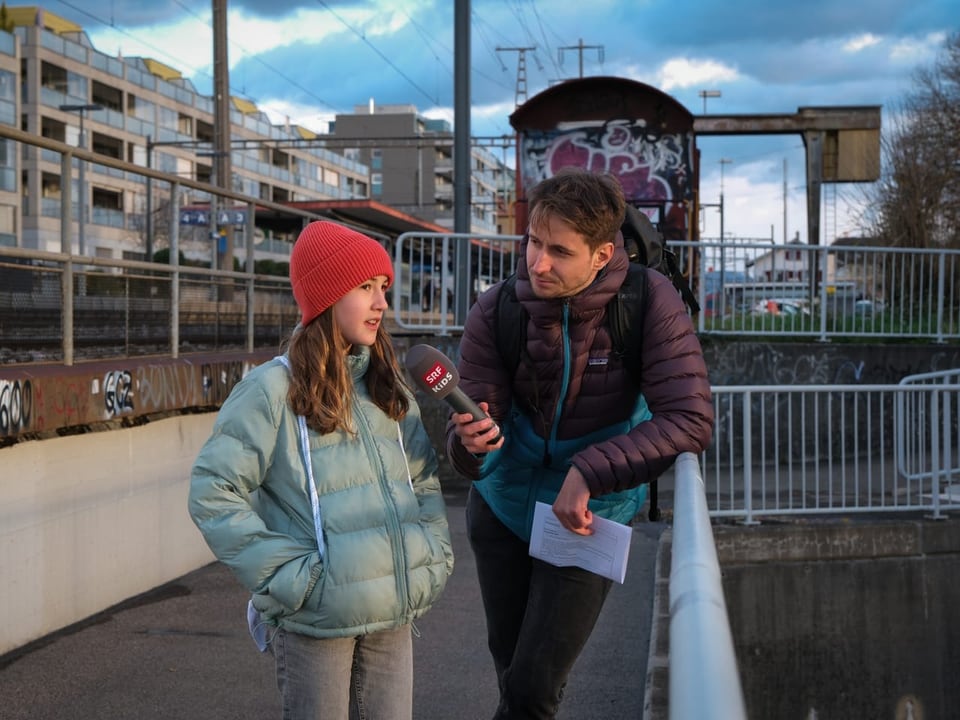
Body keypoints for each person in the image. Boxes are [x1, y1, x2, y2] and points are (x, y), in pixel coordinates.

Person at [445, 167, 714, 719]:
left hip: (591, 516)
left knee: (532, 690)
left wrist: (591, 471)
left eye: (559, 252)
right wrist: (470, 444)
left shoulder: (647, 301)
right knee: (512, 674)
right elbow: (470, 441)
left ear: (602, 254)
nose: (537, 263)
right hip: (502, 509)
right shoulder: (497, 308)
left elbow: (689, 417)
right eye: (533, 243)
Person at [189, 220, 454, 720]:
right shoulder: (270, 390)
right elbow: (213, 491)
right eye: (364, 288)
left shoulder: (388, 387)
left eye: (383, 289)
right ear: (327, 296)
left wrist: (431, 553)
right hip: (315, 620)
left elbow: (421, 477)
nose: (381, 303)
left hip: (392, 613)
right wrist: (293, 578)